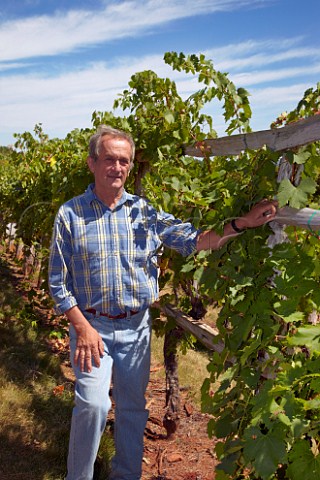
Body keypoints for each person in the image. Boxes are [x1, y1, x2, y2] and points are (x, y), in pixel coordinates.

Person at [48, 125, 277, 480]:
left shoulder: (145, 212)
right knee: (93, 405)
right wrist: (82, 327)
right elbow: (58, 283)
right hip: (91, 327)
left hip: (136, 328)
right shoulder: (70, 215)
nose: (118, 167)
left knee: (133, 410)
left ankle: (126, 475)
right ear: (92, 163)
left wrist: (241, 224)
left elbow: (195, 239)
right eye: (109, 159)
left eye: (124, 161)